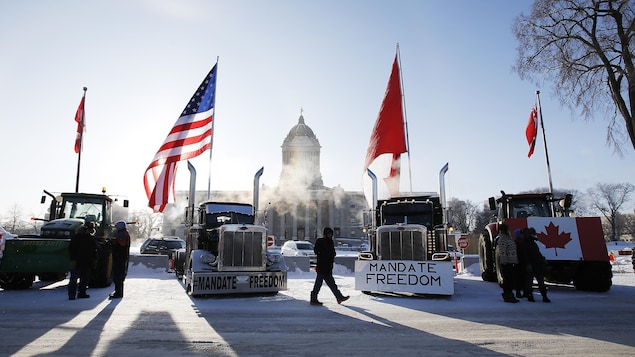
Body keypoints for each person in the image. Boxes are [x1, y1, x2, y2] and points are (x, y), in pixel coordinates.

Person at [310, 227, 349, 306]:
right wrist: (325, 254)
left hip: (328, 267)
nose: (330, 235)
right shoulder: (320, 241)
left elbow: (332, 252)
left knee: (332, 284)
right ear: (325, 234)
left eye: (331, 234)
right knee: (318, 284)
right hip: (321, 267)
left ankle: (339, 297)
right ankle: (313, 299)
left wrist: (332, 254)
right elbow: (316, 251)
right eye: (329, 234)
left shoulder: (330, 242)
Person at [68, 222, 97, 300]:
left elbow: (93, 250)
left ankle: (78, 293)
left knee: (81, 279)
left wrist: (94, 259)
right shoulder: (81, 238)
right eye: (91, 229)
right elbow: (72, 249)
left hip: (84, 262)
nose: (92, 231)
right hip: (81, 261)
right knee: (77, 279)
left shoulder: (88, 238)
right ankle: (76, 294)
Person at [524, 227, 551, 303]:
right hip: (534, 264)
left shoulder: (529, 243)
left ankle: (532, 296)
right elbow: (530, 254)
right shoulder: (530, 243)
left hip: (535, 264)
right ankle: (541, 296)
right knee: (536, 281)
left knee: (532, 281)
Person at [495, 223, 519, 303]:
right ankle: (507, 295)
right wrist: (505, 261)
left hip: (511, 261)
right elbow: (502, 251)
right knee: (507, 280)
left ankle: (510, 295)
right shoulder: (502, 239)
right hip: (507, 263)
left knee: (511, 280)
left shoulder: (508, 238)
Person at [110, 220, 130, 299]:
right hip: (121, 256)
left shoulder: (122, 234)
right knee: (118, 276)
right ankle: (118, 292)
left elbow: (122, 244)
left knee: (118, 276)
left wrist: (114, 243)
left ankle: (118, 292)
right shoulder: (123, 233)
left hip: (120, 257)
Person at [513, 228, 530, 299]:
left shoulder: (516, 242)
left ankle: (519, 292)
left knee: (520, 278)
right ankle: (521, 292)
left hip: (518, 262)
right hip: (521, 262)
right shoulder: (522, 242)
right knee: (522, 278)